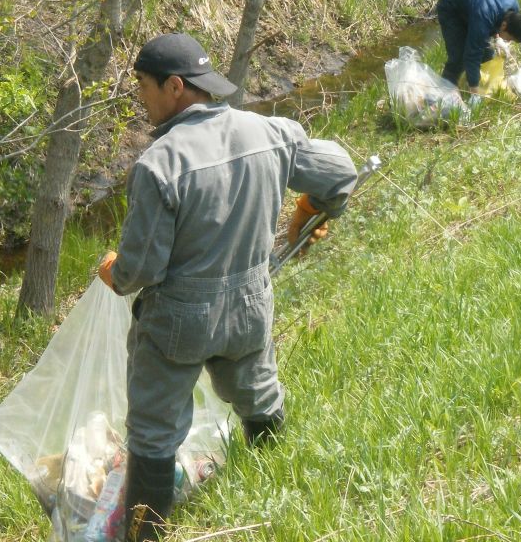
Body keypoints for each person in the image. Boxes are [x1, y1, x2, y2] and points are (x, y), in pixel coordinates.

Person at [97, 32, 358, 541]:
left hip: (178, 325)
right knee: (258, 396)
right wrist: (310, 208)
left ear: (174, 87)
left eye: (144, 88)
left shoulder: (159, 165)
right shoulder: (270, 131)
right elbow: (341, 172)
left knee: (153, 431)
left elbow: (142, 271)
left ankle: (145, 534)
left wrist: (114, 270)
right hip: (248, 307)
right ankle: (275, 483)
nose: (141, 99)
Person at [436, 0, 521, 99]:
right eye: (510, 38)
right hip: (451, 9)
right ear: (504, 26)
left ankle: (472, 84)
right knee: (459, 56)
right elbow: (472, 54)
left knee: (487, 54)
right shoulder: (484, 16)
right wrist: (475, 92)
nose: (508, 41)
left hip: (474, 7)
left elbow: (498, 18)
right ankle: (444, 93)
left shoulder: (514, 8)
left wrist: (497, 37)